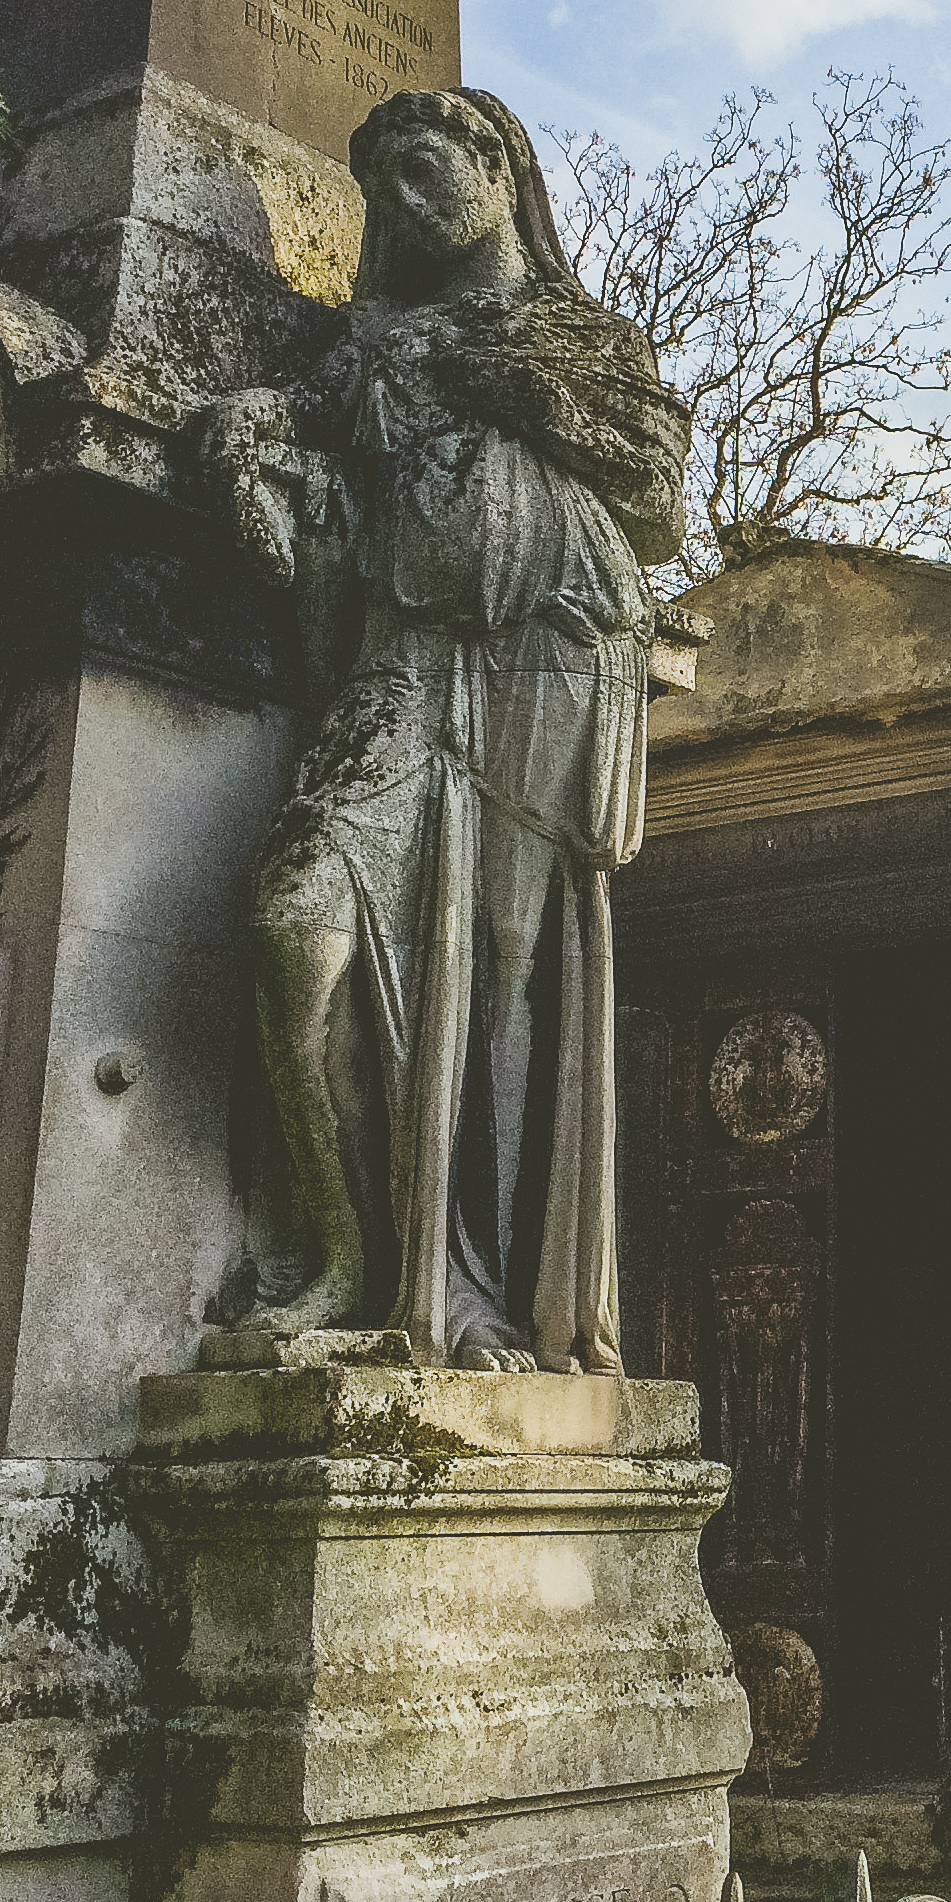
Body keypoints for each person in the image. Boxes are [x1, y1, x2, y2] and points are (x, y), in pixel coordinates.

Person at [196, 87, 686, 1370]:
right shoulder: (364, 347)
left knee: (507, 969)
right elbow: (292, 436)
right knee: (294, 926)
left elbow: (654, 489)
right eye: (378, 191)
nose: (398, 209)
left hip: (558, 653)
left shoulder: (579, 337)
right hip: (411, 662)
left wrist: (473, 365)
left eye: (420, 171)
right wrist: (251, 440)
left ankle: (485, 1293)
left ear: (498, 164)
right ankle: (357, 1257)